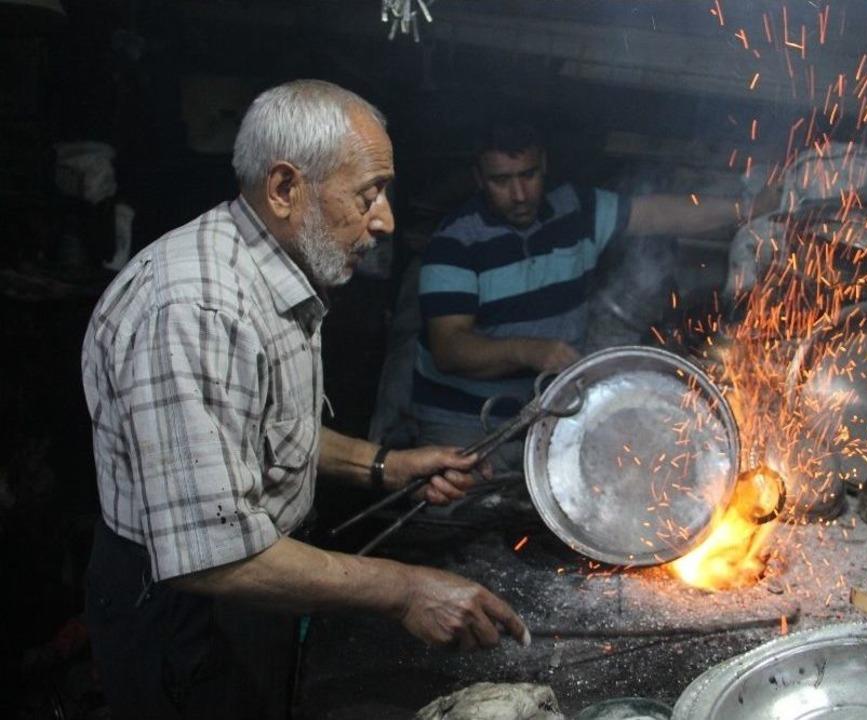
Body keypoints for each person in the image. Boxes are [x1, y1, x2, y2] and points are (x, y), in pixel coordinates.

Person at [80, 80, 527, 720]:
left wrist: (386, 466)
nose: (386, 219)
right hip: (190, 613)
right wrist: (405, 590)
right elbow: (213, 553)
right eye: (367, 193)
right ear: (285, 188)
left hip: (254, 593)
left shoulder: (274, 272)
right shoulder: (197, 309)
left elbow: (257, 428)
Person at [412, 120, 780, 470]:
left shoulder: (576, 210)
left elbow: (662, 214)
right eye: (501, 181)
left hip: (545, 418)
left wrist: (748, 210)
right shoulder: (455, 243)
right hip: (461, 426)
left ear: (544, 164)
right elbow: (449, 348)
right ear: (478, 178)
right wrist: (529, 351)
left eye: (528, 175)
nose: (520, 194)